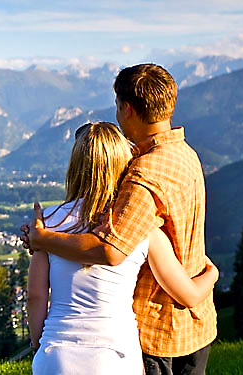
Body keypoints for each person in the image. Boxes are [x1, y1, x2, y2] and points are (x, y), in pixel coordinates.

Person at [22, 64, 217, 375]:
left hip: (157, 326)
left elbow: (110, 250)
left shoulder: (144, 176)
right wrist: (211, 273)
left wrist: (44, 238)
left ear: (127, 109)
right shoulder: (184, 154)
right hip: (183, 322)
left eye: (116, 106)